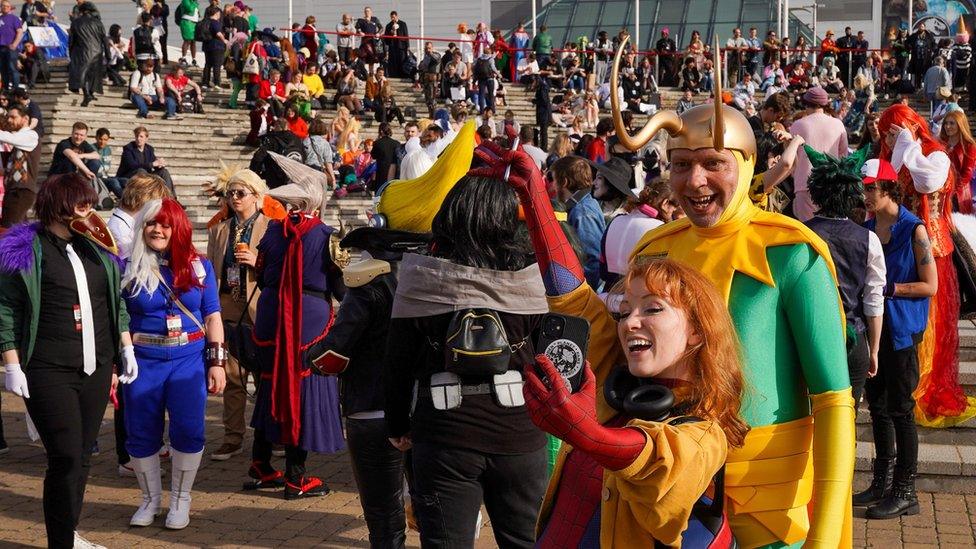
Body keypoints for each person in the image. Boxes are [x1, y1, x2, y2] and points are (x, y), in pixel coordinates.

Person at [608, 48, 855, 546]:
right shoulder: (655, 249)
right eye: (681, 165)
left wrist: (827, 531)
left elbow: (833, 398)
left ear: (746, 165)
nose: (694, 181)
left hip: (765, 505)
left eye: (712, 163)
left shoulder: (791, 252)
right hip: (667, 497)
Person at [384, 174, 549, 548]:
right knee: (526, 540)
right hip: (520, 430)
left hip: (444, 433)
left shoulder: (422, 275)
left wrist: (397, 424)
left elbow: (396, 362)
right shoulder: (533, 276)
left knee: (445, 542)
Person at [0, 174, 136, 549]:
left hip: (95, 366)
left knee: (84, 455)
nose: (90, 210)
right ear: (60, 204)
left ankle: (69, 535)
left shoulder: (95, 247)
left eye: (90, 203)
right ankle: (61, 542)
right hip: (47, 367)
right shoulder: (27, 249)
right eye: (82, 203)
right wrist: (12, 363)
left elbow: (114, 300)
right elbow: (6, 309)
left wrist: (126, 346)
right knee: (66, 456)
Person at [305, 228, 427, 549]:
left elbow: (332, 354)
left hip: (374, 410)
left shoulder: (367, 290)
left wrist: (311, 357)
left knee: (384, 516)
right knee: (435, 511)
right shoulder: (428, 285)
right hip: (426, 409)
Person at [121, 198, 225, 530]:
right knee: (140, 432)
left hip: (189, 361)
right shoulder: (126, 266)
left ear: (178, 227)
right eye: (152, 223)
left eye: (166, 223)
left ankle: (181, 500)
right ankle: (149, 499)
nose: (158, 229)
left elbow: (212, 315)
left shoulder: (199, 266)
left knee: (190, 429)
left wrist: (217, 362)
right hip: (143, 363)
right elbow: (118, 317)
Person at [248, 160, 345, 499]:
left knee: (269, 384)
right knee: (300, 391)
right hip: (308, 319)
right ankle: (295, 476)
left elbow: (260, 274)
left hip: (272, 314)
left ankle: (261, 463)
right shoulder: (327, 236)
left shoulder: (273, 230)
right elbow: (342, 289)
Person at [878, 104, 976, 428]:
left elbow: (926, 182)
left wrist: (906, 145)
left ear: (909, 126)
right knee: (911, 322)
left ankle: (927, 388)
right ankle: (908, 387)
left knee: (934, 324)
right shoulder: (895, 156)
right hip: (904, 250)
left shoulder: (936, 156)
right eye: (886, 133)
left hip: (936, 250)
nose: (889, 138)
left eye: (894, 131)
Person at [856, 158, 937, 519]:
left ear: (889, 188)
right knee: (877, 406)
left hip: (903, 328)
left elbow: (930, 285)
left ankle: (906, 491)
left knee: (900, 409)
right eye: (864, 187)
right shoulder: (868, 227)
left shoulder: (914, 229)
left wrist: (890, 288)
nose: (866, 194)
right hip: (876, 328)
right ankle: (881, 482)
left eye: (872, 187)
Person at [803, 146, 886, 407]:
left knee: (810, 421)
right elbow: (874, 301)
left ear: (816, 192)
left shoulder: (798, 234)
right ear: (853, 194)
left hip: (809, 341)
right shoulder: (868, 238)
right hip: (854, 340)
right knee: (846, 420)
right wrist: (874, 349)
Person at [206, 167, 269, 461]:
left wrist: (259, 262)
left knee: (264, 373)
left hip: (260, 306)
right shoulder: (219, 230)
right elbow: (209, 270)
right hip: (227, 304)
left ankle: (270, 434)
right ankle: (233, 436)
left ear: (256, 197)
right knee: (232, 374)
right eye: (230, 193)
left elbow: (283, 271)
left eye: (240, 193)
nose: (234, 198)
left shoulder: (272, 228)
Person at [789, 86, 849, 220]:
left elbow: (792, 158)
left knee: (807, 231)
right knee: (830, 228)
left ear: (806, 103)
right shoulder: (838, 124)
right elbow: (844, 155)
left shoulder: (797, 125)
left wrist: (795, 174)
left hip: (804, 183)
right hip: (831, 183)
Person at [550, 155, 605, 289]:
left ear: (564, 182)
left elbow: (592, 260)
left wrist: (580, 294)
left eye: (554, 180)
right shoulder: (580, 206)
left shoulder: (583, 212)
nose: (552, 185)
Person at [0, 105, 40, 227]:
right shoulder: (17, 142)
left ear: (25, 118)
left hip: (21, 191)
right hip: (13, 191)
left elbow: (10, 138)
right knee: (20, 233)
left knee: (7, 230)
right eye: (8, 117)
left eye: (13, 117)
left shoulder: (31, 135)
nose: (9, 120)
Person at [117, 126, 175, 197]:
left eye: (141, 136)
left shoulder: (149, 149)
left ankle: (171, 199)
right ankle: (148, 198)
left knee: (164, 172)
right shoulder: (128, 149)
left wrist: (160, 164)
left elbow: (154, 163)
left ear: (146, 138)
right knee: (141, 171)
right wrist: (152, 164)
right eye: (137, 136)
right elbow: (132, 166)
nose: (138, 139)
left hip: (146, 175)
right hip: (129, 175)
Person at [67, 2, 105, 107]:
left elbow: (71, 40)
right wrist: (108, 53)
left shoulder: (75, 22)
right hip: (97, 52)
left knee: (82, 74)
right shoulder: (98, 22)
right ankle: (89, 94)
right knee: (92, 75)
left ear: (81, 11)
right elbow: (104, 39)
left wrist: (70, 52)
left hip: (82, 52)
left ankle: (87, 94)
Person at [940, 109, 976, 213]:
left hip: (958, 195)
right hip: (940, 190)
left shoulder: (969, 146)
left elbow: (967, 173)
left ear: (960, 125)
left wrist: (952, 190)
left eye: (952, 123)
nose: (947, 126)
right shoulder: (941, 143)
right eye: (946, 123)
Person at [200, 6, 227, 89]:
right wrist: (224, 40)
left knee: (207, 64)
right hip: (216, 46)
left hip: (207, 46)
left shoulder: (205, 21)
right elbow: (218, 33)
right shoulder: (215, 22)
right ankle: (217, 83)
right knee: (216, 65)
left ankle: (205, 83)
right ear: (216, 13)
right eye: (219, 14)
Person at [0, 0, 24, 90]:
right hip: (1, 48)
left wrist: (14, 44)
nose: (5, 7)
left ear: (10, 8)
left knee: (12, 69)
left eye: (7, 6)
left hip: (11, 48)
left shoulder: (14, 18)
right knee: (3, 70)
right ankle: (5, 89)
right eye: (3, 6)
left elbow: (20, 32)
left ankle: (15, 89)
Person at [384, 11, 408, 78]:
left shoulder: (403, 24)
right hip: (392, 46)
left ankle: (403, 75)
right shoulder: (388, 25)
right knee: (393, 61)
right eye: (391, 17)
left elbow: (406, 35)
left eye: (394, 17)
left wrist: (407, 46)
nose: (393, 19)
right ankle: (394, 75)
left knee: (402, 60)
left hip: (401, 46)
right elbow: (386, 38)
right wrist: (391, 32)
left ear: (397, 16)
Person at [177, 0, 199, 66]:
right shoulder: (185, 1)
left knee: (193, 41)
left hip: (194, 23)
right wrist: (194, 3)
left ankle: (194, 59)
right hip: (187, 22)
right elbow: (189, 9)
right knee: (187, 40)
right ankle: (183, 58)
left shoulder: (194, 2)